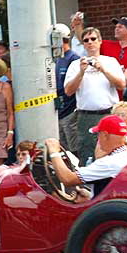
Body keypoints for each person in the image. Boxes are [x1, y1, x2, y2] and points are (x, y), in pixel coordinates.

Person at [64, 27, 125, 164]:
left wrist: (103, 69)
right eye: (86, 40)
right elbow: (68, 91)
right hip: (86, 115)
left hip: (108, 113)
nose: (90, 42)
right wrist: (81, 72)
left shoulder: (110, 61)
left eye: (93, 39)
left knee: (112, 151)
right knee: (87, 152)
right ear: (83, 44)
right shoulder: (75, 65)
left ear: (100, 41)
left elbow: (121, 85)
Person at [44, 114, 127, 197]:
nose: (98, 139)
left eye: (98, 135)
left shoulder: (109, 163)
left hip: (104, 211)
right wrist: (89, 195)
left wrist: (54, 152)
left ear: (105, 135)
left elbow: (68, 179)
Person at [54, 23, 80, 155]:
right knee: (64, 149)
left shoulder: (73, 58)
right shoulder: (58, 59)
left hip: (70, 111)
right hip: (60, 111)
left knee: (74, 149)